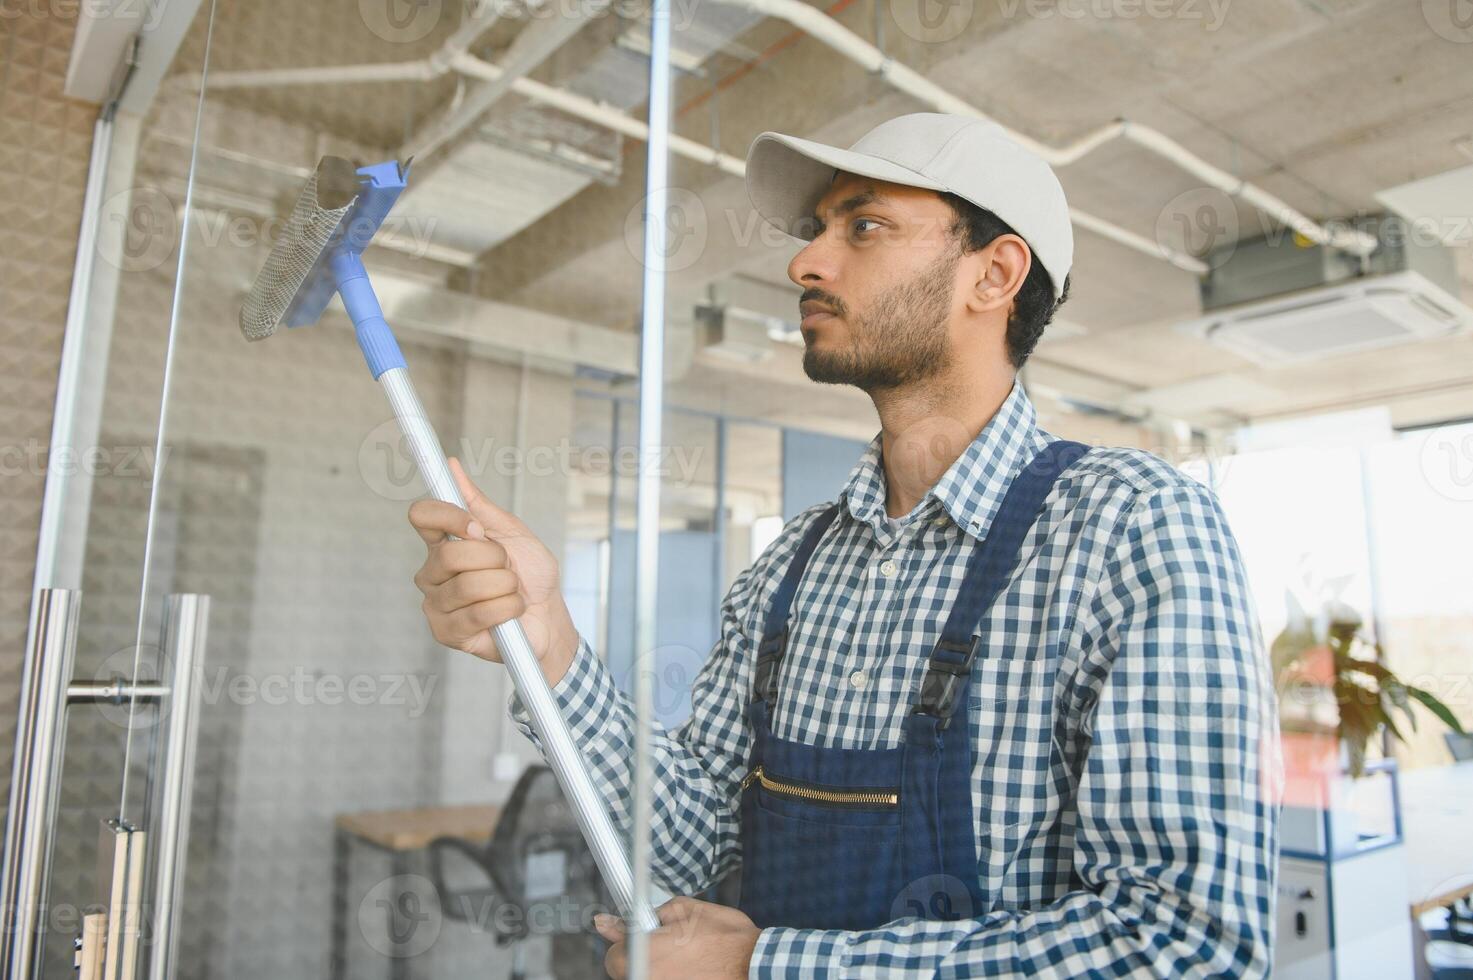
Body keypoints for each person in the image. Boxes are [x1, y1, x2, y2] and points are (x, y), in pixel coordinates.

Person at [408, 112, 1282, 978]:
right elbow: (684, 858)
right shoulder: (788, 569)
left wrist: (768, 967)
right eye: (819, 230)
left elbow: (1186, 944)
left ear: (994, 274)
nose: (804, 262)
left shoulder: (1128, 528)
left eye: (862, 226)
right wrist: (551, 646)